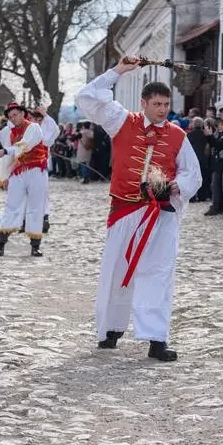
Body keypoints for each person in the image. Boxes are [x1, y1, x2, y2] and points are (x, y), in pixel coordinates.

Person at [75, 57, 202, 362]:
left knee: (158, 274)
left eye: (166, 103)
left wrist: (175, 186)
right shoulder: (122, 120)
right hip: (125, 210)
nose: (162, 109)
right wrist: (119, 71)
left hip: (160, 216)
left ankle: (156, 339)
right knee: (116, 270)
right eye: (156, 103)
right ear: (143, 103)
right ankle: (110, 329)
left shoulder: (178, 135)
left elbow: (192, 173)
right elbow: (87, 97)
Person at [0, 103, 50, 257]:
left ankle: (35, 245)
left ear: (23, 114)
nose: (13, 118)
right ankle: (0, 244)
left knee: (36, 207)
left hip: (36, 170)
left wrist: (6, 150)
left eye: (15, 114)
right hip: (19, 172)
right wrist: (6, 175)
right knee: (11, 206)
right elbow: (10, 157)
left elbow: (24, 146)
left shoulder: (34, 128)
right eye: (10, 117)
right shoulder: (10, 133)